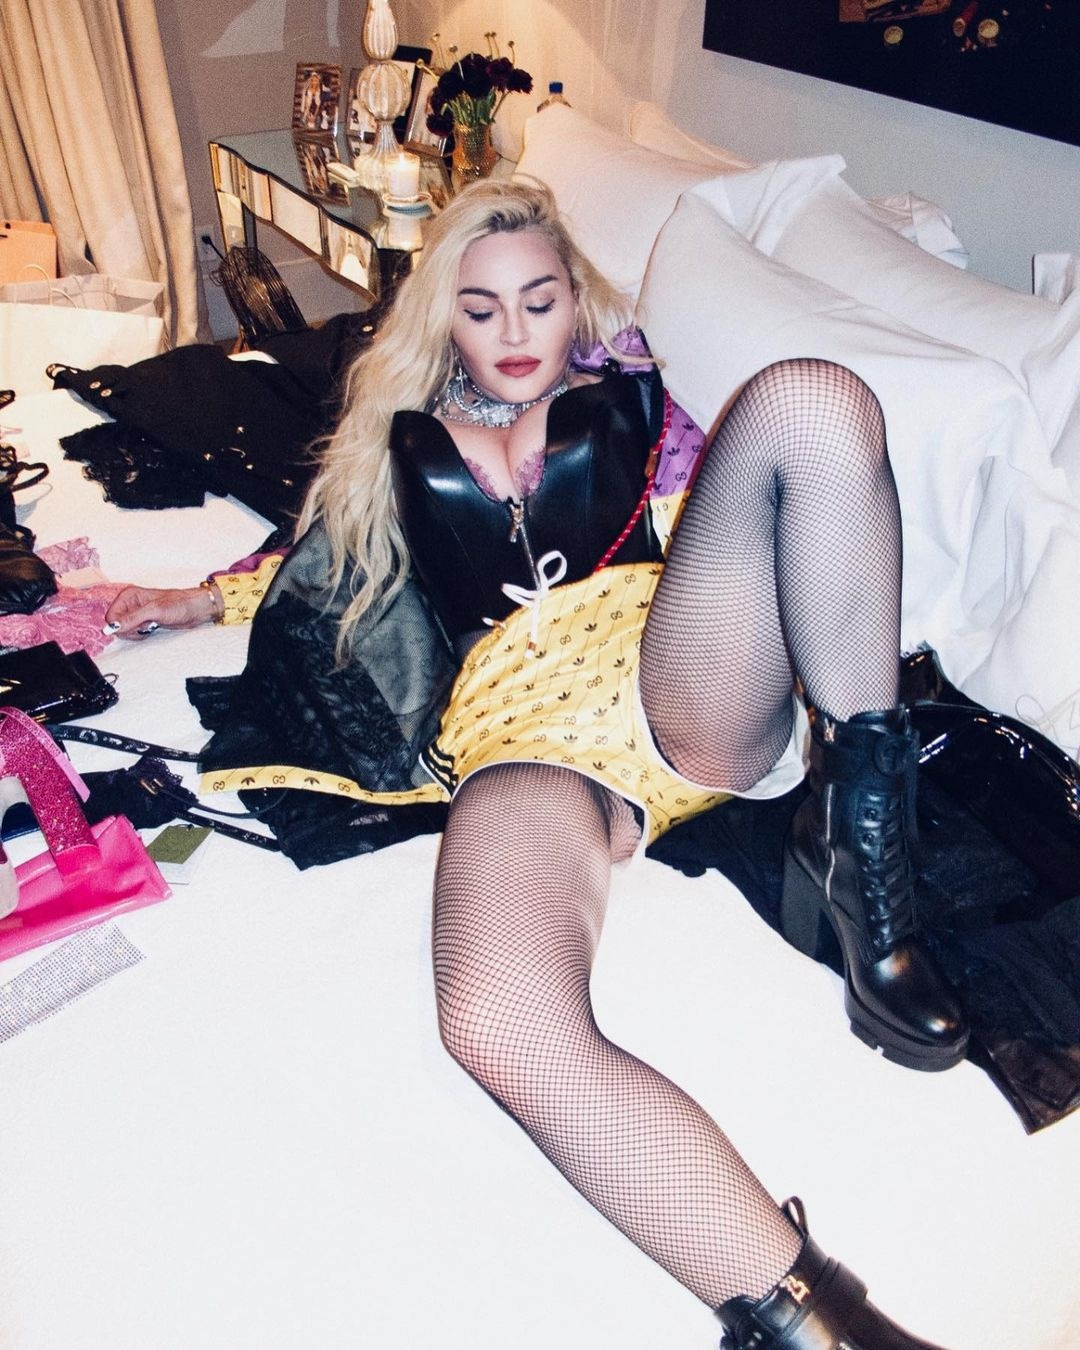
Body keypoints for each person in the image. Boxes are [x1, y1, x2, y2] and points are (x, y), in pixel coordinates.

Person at [105, 179, 965, 1348]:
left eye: (540, 300)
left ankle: (864, 849)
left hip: (673, 676)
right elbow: (314, 567)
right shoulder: (399, 445)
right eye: (481, 308)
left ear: (576, 298)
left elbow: (746, 521)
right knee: (496, 1022)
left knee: (812, 401)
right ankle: (816, 1325)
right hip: (521, 735)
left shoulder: (638, 406)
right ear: (443, 318)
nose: (514, 332)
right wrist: (198, 599)